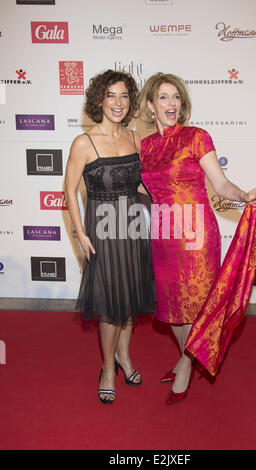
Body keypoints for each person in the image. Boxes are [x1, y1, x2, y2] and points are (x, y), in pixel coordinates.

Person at [139, 72, 256, 405]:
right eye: (164, 98)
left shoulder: (196, 137)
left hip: (196, 236)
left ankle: (186, 365)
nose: (171, 104)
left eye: (176, 97)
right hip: (163, 235)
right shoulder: (146, 145)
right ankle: (189, 357)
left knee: (197, 307)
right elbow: (145, 189)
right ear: (151, 105)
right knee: (171, 309)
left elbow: (221, 184)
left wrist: (244, 194)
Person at [65, 70, 155, 405]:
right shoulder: (83, 143)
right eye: (111, 96)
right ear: (99, 100)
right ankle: (107, 368)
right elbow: (69, 191)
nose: (118, 103)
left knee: (129, 298)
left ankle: (124, 357)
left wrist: (170, 200)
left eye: (124, 96)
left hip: (132, 225)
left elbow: (140, 184)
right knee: (110, 306)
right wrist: (81, 234)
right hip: (102, 229)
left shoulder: (134, 138)